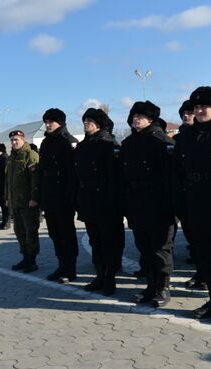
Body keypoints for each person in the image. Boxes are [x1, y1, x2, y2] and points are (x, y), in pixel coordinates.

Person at [121, 101, 175, 307]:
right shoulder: (128, 144)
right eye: (134, 116)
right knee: (144, 247)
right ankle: (151, 286)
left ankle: (163, 288)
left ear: (151, 119)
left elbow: (171, 178)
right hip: (136, 203)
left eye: (140, 117)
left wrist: (171, 207)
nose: (136, 120)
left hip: (159, 203)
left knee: (161, 248)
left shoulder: (162, 142)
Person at [173, 86, 211, 318]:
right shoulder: (187, 136)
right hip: (195, 202)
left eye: (205, 106)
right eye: (196, 107)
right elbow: (177, 171)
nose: (199, 110)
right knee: (204, 255)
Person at [75, 108, 125, 296]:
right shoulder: (82, 146)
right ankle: (100, 275)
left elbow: (115, 178)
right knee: (95, 240)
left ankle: (110, 277)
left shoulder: (109, 144)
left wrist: (112, 201)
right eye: (85, 120)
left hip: (106, 200)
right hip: (88, 199)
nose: (86, 123)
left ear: (100, 124)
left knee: (108, 241)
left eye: (91, 120)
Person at [39, 108, 79, 284]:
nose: (47, 125)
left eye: (51, 122)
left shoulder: (68, 141)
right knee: (54, 232)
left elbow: (73, 173)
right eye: (46, 122)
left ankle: (70, 269)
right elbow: (42, 170)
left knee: (66, 233)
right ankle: (61, 264)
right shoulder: (46, 142)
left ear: (60, 123)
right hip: (49, 193)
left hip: (63, 194)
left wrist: (71, 196)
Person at [173, 100, 206, 290]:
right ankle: (201, 272)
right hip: (187, 193)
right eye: (184, 113)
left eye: (190, 112)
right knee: (193, 237)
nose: (187, 115)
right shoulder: (180, 138)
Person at [5, 130, 41, 273]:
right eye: (12, 140)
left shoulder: (30, 155)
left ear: (23, 139)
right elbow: (8, 181)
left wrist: (34, 198)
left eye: (16, 139)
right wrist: (8, 198)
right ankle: (25, 258)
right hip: (16, 202)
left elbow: (36, 179)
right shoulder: (11, 157)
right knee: (19, 231)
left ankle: (32, 260)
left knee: (30, 231)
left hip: (28, 202)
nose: (14, 142)